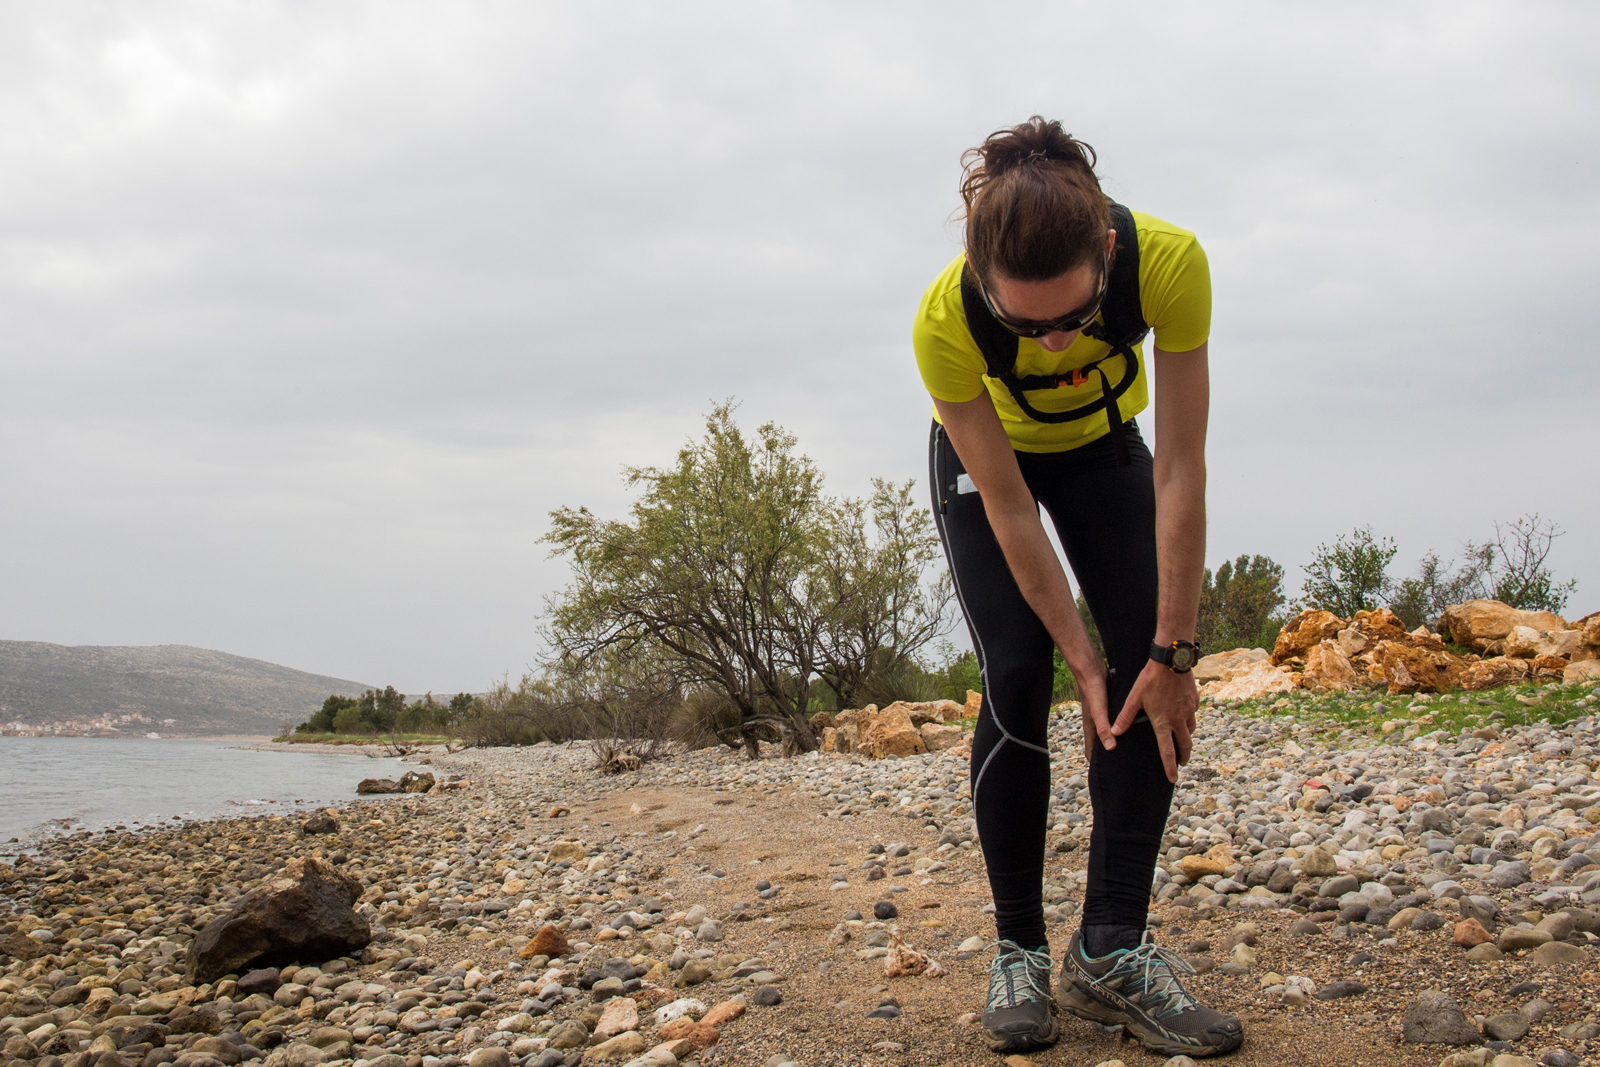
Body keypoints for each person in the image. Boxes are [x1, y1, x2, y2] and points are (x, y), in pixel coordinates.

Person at [912, 116, 1243, 1058]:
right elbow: (1014, 514)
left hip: (1106, 450)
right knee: (1019, 669)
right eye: (1026, 324)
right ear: (983, 283)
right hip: (994, 471)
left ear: (1104, 251)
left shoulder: (1169, 265)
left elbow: (1182, 468)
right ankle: (1018, 948)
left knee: (1151, 661)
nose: (1054, 344)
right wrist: (1078, 652)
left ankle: (1111, 949)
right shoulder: (944, 323)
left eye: (1074, 316)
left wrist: (1173, 650)